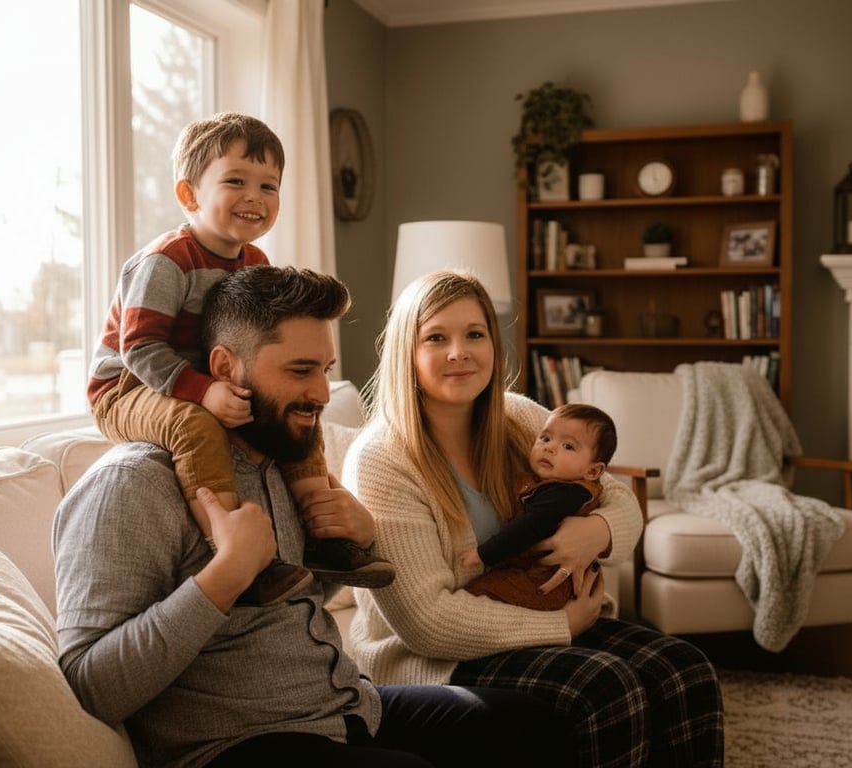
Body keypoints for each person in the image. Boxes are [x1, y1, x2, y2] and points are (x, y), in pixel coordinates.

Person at [55, 265, 574, 768]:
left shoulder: (275, 460)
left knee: (530, 722)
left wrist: (357, 546)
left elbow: (284, 605)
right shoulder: (130, 485)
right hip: (232, 745)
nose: (323, 395)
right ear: (224, 368)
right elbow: (88, 684)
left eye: (325, 370)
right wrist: (222, 578)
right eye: (300, 371)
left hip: (344, 709)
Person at [343, 270, 725, 768]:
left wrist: (598, 531)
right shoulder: (380, 460)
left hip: (535, 616)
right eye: (437, 337)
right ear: (406, 355)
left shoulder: (519, 419)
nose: (459, 351)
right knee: (606, 687)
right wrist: (564, 624)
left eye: (474, 334)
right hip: (437, 658)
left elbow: (617, 497)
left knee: (684, 669)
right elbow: (428, 625)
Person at [86, 112, 392, 604]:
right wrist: (204, 391)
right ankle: (232, 544)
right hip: (127, 386)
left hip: (205, 374)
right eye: (235, 181)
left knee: (297, 414)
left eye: (269, 186)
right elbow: (138, 348)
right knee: (196, 426)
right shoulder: (166, 261)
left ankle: (324, 533)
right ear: (189, 195)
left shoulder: (256, 264)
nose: (255, 196)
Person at [460, 402, 616, 611]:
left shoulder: (567, 494)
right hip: (535, 574)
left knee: (476, 596)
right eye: (545, 438)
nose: (549, 447)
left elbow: (527, 528)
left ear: (593, 472)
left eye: (568, 446)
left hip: (548, 581)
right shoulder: (550, 483)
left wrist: (482, 554)